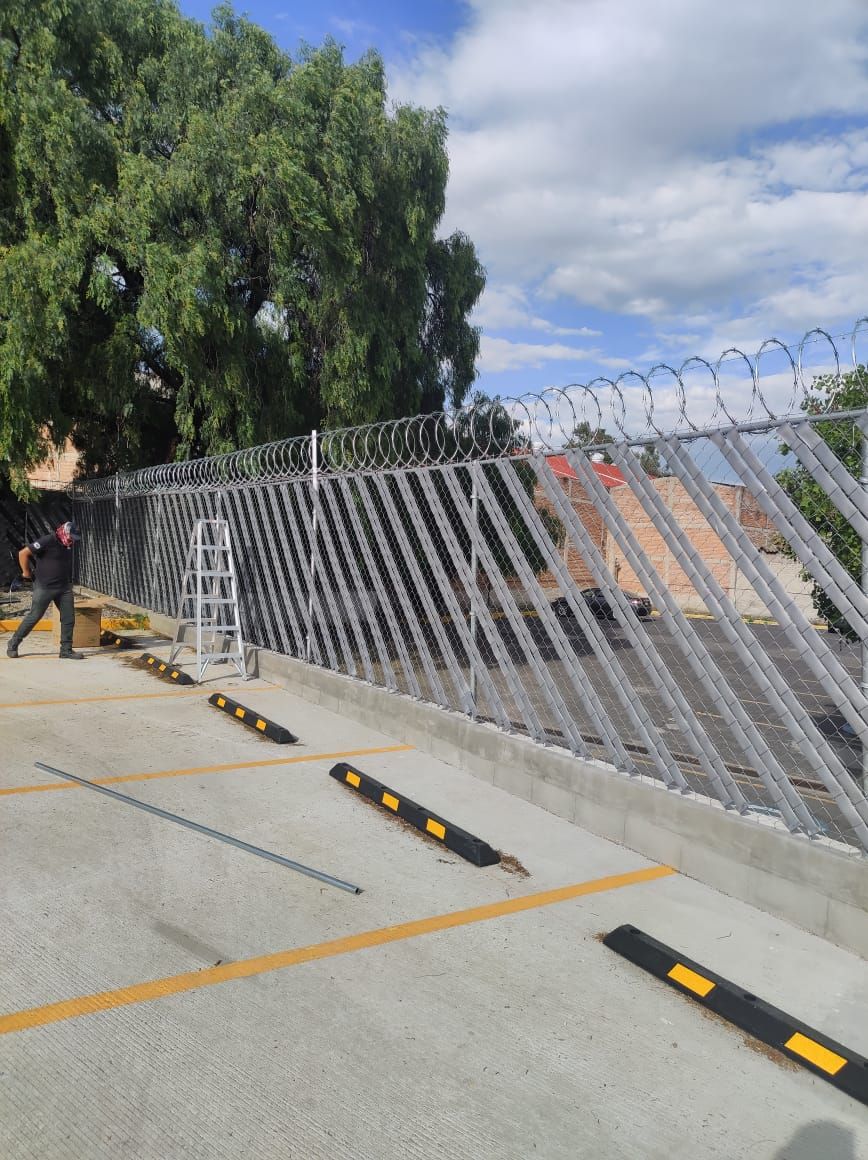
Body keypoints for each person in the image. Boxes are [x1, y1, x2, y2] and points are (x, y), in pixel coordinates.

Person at [6, 521, 85, 660]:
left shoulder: (67, 545)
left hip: (64, 588)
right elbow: (23, 553)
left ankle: (66, 650)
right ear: (64, 532)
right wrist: (26, 573)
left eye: (73, 538)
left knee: (68, 618)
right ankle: (13, 643)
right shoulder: (48, 540)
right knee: (34, 616)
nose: (72, 540)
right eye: (71, 536)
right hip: (44, 587)